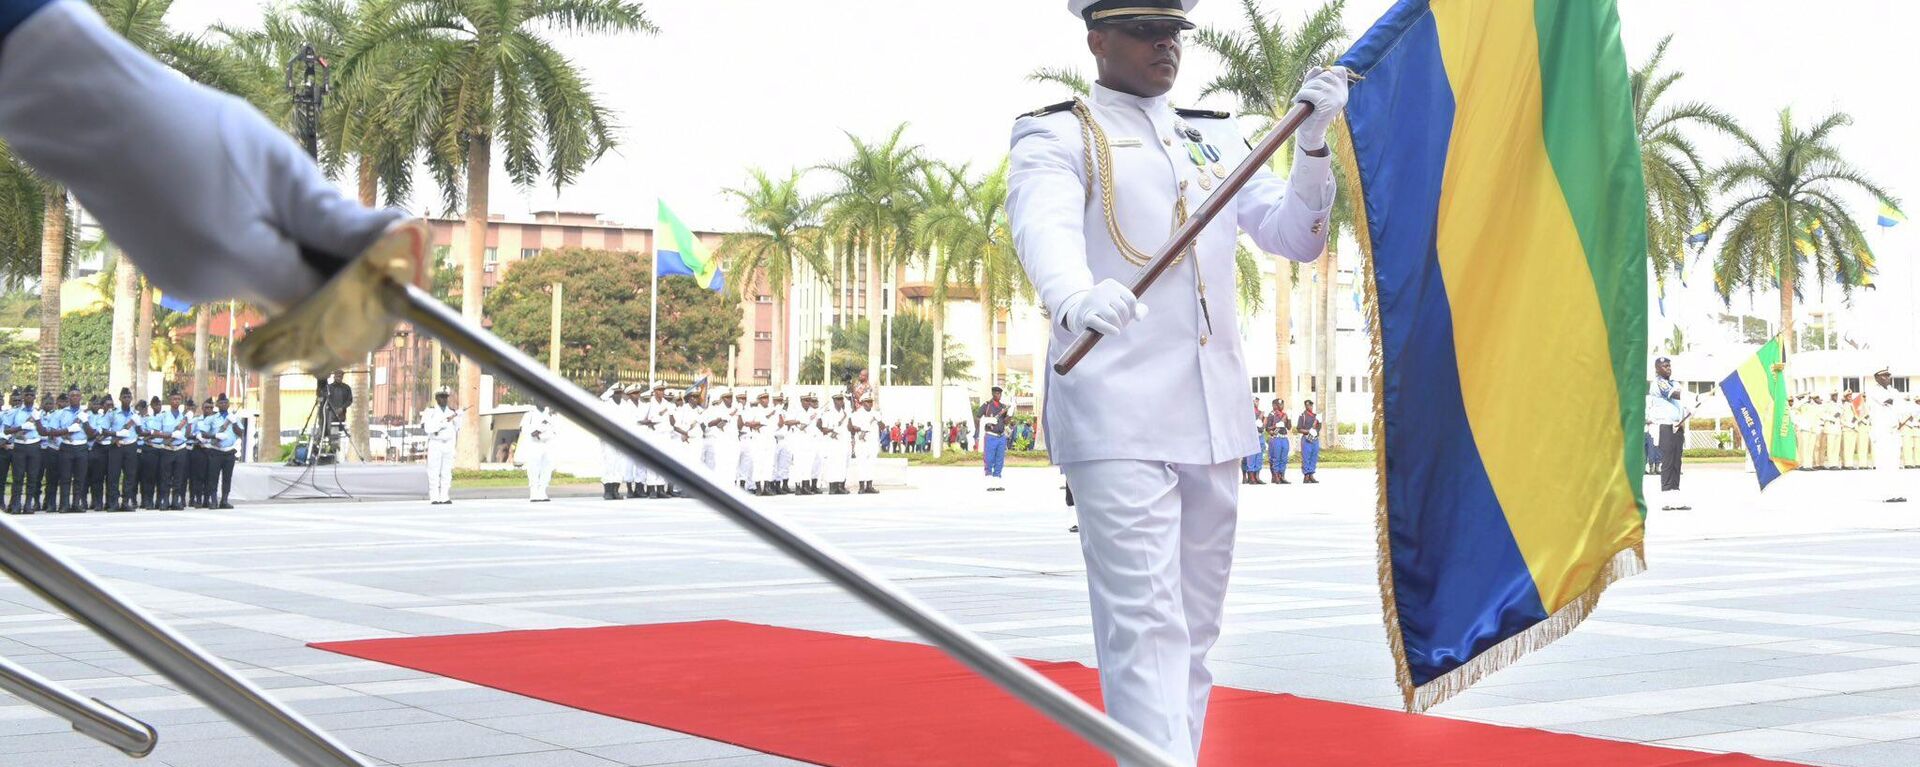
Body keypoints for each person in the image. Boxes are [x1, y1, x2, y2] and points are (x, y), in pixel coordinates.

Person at [1007, 2, 1345, 759]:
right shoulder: (1058, 132)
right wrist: (1073, 296)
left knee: (1193, 633)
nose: (1167, 45)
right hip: (1118, 409)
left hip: (1212, 413)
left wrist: (1313, 146)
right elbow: (1045, 227)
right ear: (1097, 40)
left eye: (1175, 32)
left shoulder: (1214, 135)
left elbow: (1294, 236)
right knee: (1145, 628)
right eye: (1145, 31)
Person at [1648, 357, 1688, 509]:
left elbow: (1682, 401)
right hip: (1665, 427)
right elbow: (1675, 395)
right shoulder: (1658, 383)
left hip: (1678, 426)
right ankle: (1666, 499)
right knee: (1668, 462)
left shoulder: (1675, 382)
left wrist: (1692, 405)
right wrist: (1694, 396)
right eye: (1664, 366)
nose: (1668, 368)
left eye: (1669, 365)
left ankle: (1675, 498)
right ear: (1657, 369)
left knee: (1677, 463)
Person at [1866, 367, 1908, 503]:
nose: (1887, 378)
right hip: (1881, 431)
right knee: (1884, 462)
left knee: (1894, 463)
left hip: (1894, 430)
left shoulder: (1893, 390)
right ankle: (1885, 494)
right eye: (1884, 376)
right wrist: (1905, 405)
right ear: (1876, 377)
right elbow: (1891, 401)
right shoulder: (1873, 391)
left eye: (1888, 375)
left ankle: (1895, 492)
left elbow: (1901, 406)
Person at [37, 390, 76, 512]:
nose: (64, 403)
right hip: (54, 449)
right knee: (51, 478)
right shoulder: (55, 415)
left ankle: (64, 504)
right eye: (62, 401)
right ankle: (50, 504)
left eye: (66, 401)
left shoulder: (71, 414)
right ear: (58, 402)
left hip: (66, 449)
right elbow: (50, 432)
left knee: (65, 477)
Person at [4, 388, 42, 513]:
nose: (30, 397)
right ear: (23, 397)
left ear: (35, 397)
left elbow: (43, 431)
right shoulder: (15, 412)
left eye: (32, 395)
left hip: (34, 446)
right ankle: (15, 504)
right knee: (18, 477)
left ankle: (28, 505)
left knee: (32, 477)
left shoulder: (38, 413)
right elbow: (6, 430)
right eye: (27, 395)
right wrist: (21, 427)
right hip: (19, 446)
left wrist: (37, 420)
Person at [421, 388, 460, 505]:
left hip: (448, 444)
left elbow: (457, 428)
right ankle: (434, 497)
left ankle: (444, 496)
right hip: (435, 444)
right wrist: (441, 424)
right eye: (441, 397)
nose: (443, 399)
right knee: (433, 470)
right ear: (436, 398)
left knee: (446, 471)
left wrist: (457, 417)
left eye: (445, 397)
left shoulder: (452, 412)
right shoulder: (430, 411)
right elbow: (427, 428)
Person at [204, 395, 241, 509]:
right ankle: (214, 501)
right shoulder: (212, 418)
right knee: (213, 477)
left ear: (228, 404)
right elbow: (203, 434)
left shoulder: (234, 417)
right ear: (217, 405)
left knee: (227, 477)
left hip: (229, 452)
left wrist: (234, 422)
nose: (223, 405)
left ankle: (224, 500)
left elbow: (240, 433)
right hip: (215, 451)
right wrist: (215, 435)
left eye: (225, 403)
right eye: (221, 403)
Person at [522, 403, 557, 503]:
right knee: (533, 467)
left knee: (547, 467)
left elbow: (555, 429)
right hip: (534, 444)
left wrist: (543, 431)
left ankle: (542, 490)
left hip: (548, 443)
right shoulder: (529, 414)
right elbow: (524, 429)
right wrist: (535, 432)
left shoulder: (551, 414)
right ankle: (534, 491)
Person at [818, 393, 852, 495]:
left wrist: (849, 419)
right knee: (832, 464)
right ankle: (832, 487)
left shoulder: (845, 414)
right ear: (834, 401)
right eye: (838, 400)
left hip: (843, 442)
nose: (840, 402)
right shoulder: (828, 413)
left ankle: (840, 487)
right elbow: (823, 429)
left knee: (842, 465)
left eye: (841, 400)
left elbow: (849, 428)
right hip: (832, 443)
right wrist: (833, 430)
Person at [980, 386, 1010, 491]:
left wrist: (1009, 415)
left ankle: (997, 482)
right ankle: (989, 483)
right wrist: (987, 420)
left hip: (1001, 436)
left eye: (1000, 393)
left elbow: (1006, 422)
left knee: (999, 460)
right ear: (993, 394)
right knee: (989, 459)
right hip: (991, 436)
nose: (999, 395)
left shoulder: (1003, 407)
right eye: (997, 393)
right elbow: (977, 417)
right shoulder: (987, 405)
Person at [852, 393, 881, 494]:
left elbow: (882, 426)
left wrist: (879, 419)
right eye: (867, 402)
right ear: (863, 403)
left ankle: (869, 485)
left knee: (871, 464)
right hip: (862, 442)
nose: (870, 403)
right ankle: (861, 486)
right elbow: (853, 427)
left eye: (871, 401)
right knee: (861, 464)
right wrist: (862, 429)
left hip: (873, 442)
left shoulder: (875, 413)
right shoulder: (857, 414)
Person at [1264, 398, 1291, 484]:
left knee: (1284, 458)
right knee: (1276, 458)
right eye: (1279, 404)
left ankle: (1281, 476)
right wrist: (1275, 427)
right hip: (1276, 438)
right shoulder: (1272, 414)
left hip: (1284, 438)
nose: (1281, 406)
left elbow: (1289, 427)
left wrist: (1289, 418)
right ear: (1274, 406)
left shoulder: (1284, 414)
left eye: (1282, 404)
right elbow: (1267, 428)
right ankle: (1275, 476)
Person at [1296, 400, 1322, 484]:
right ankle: (1306, 475)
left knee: (1314, 457)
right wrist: (1308, 431)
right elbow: (1299, 429)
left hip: (1315, 439)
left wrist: (1320, 422)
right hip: (1307, 439)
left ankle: (1311, 474)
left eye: (1310, 405)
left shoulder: (1315, 416)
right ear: (1305, 406)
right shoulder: (1302, 416)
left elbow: (1318, 428)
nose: (1309, 407)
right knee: (1306, 457)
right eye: (1307, 405)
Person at [1242, 400, 1265, 485]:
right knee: (1251, 456)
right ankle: (1251, 477)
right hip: (1250, 436)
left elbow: (1263, 424)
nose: (1256, 403)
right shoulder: (1247, 413)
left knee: (1259, 456)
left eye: (1257, 401)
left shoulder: (1261, 413)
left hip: (1260, 436)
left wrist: (1262, 426)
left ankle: (1257, 476)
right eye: (1254, 401)